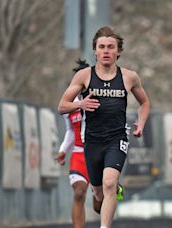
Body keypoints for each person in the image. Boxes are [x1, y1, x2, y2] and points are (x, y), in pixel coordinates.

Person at [58, 26, 150, 228]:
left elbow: (145, 103)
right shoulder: (84, 76)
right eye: (102, 47)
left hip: (116, 139)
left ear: (118, 51)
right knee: (99, 194)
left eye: (111, 47)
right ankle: (105, 191)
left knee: (109, 183)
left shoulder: (129, 77)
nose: (106, 51)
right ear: (95, 51)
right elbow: (62, 106)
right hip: (92, 140)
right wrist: (80, 104)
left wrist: (140, 123)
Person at [56, 59, 90, 228]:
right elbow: (70, 130)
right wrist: (63, 150)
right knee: (78, 193)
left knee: (99, 204)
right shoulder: (69, 103)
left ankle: (113, 188)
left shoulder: (101, 99)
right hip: (79, 154)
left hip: (99, 154)